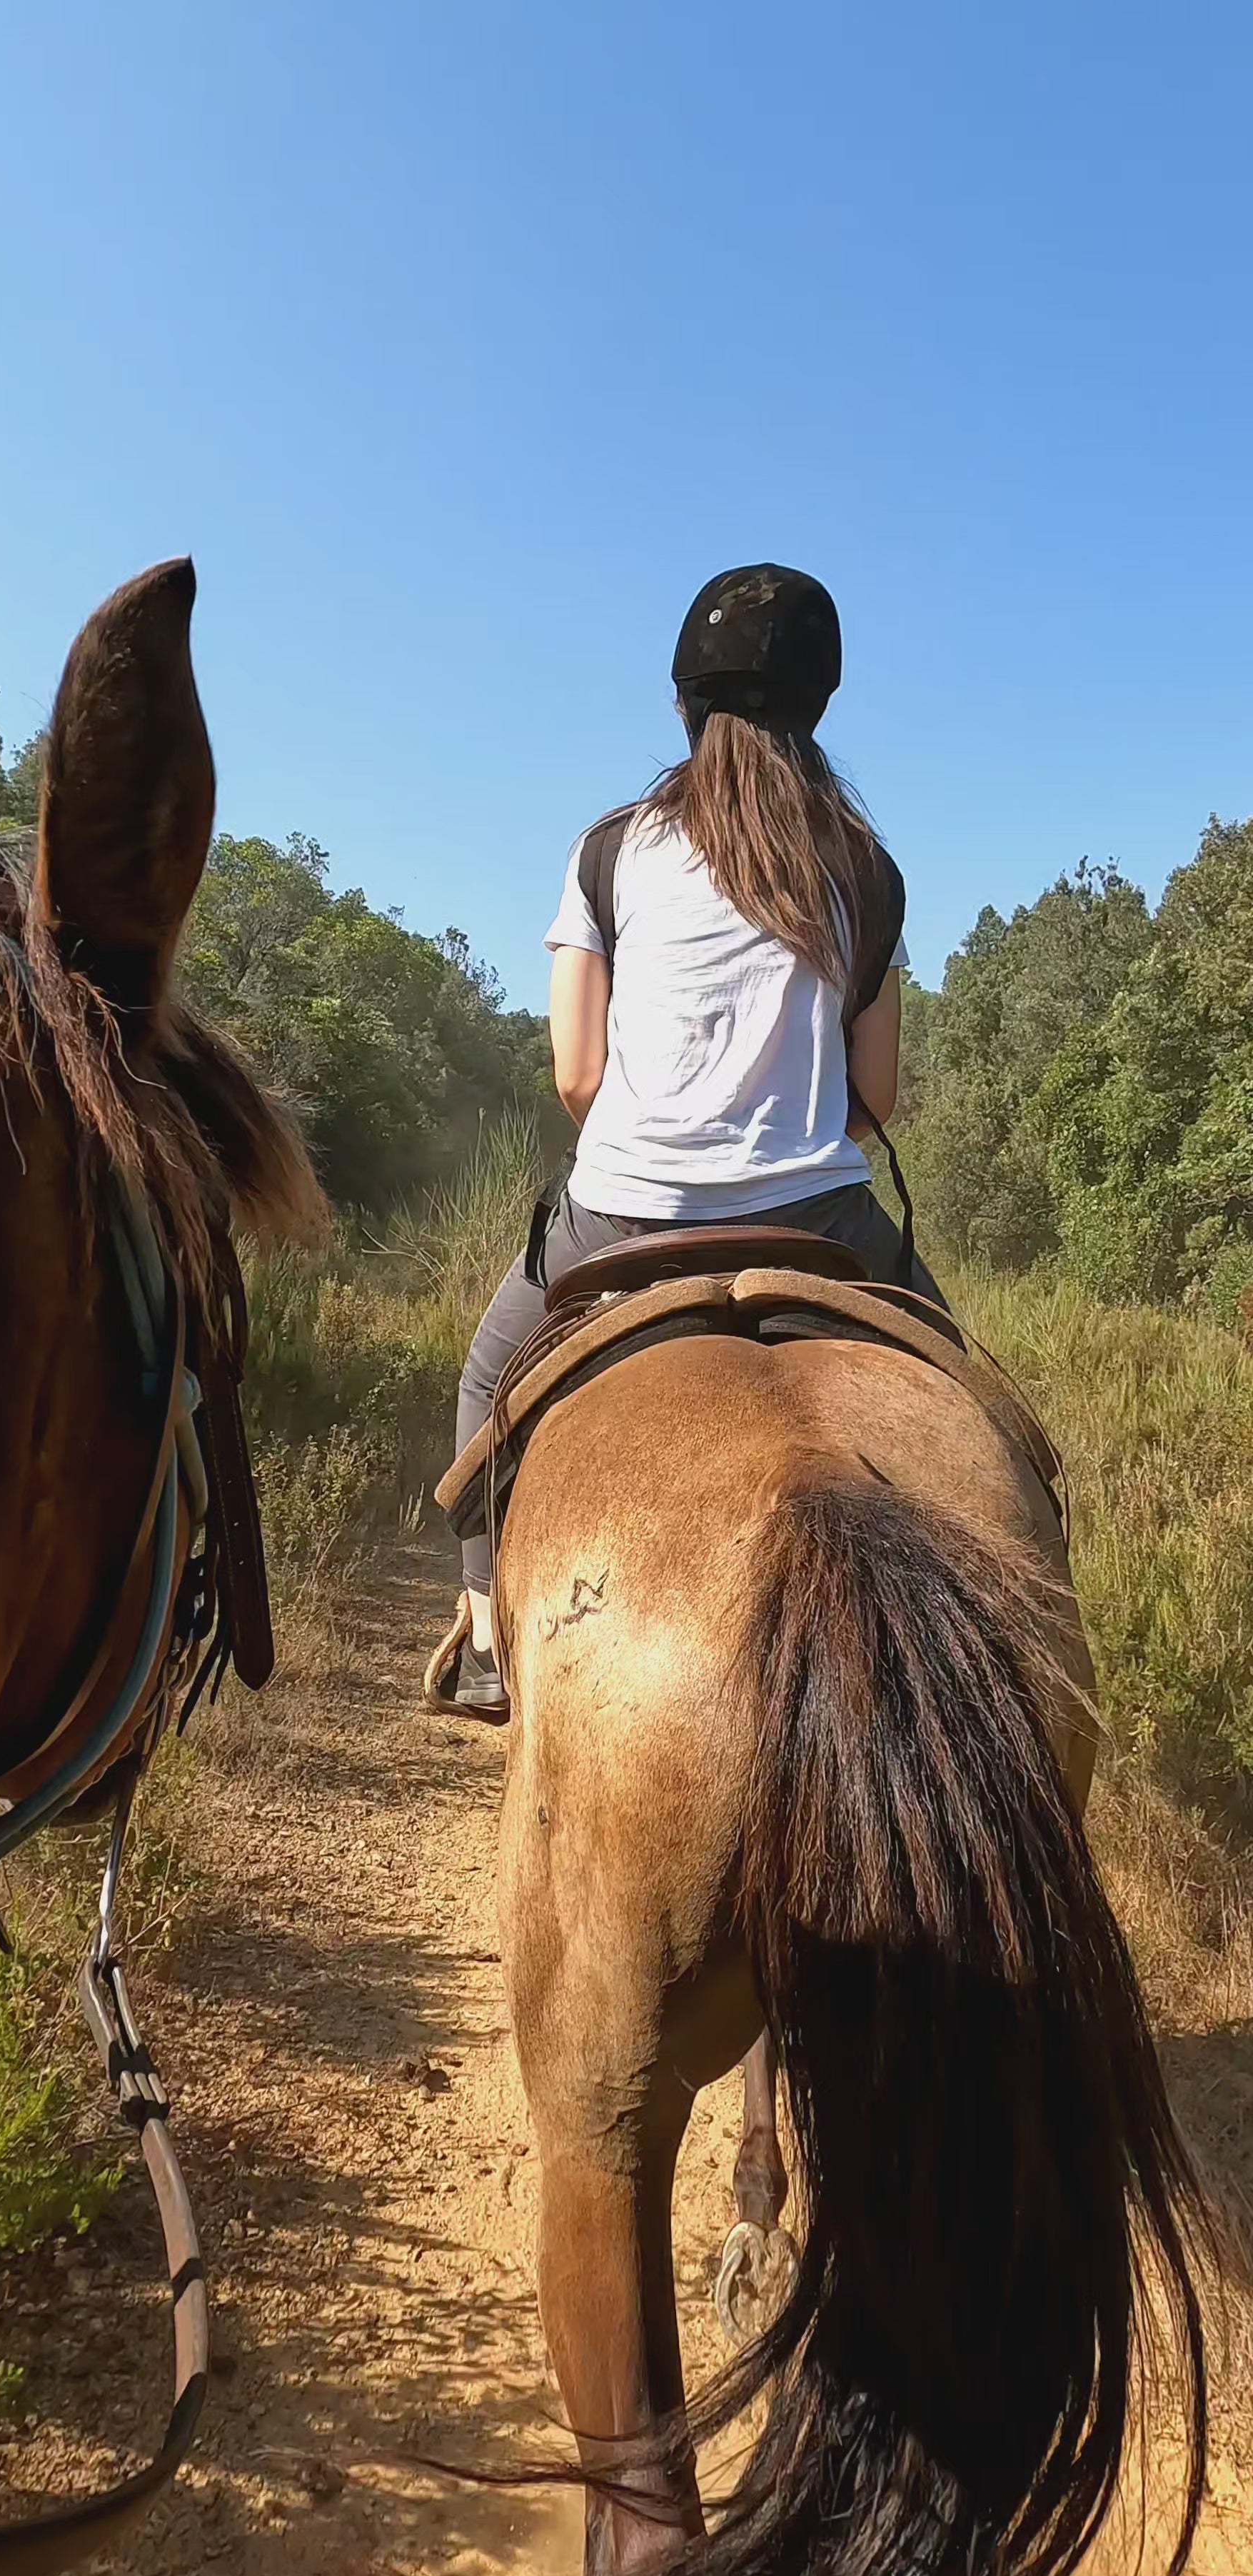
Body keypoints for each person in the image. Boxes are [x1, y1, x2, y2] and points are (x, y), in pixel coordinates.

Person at [433, 563, 946, 1721]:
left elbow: (577, 1076)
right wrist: (791, 1122)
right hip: (820, 1217)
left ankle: (484, 1637)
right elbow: (877, 1094)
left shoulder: (609, 850)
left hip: (624, 1209)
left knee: (483, 1379)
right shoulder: (868, 871)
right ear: (820, 708)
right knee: (978, 1399)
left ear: (682, 703)